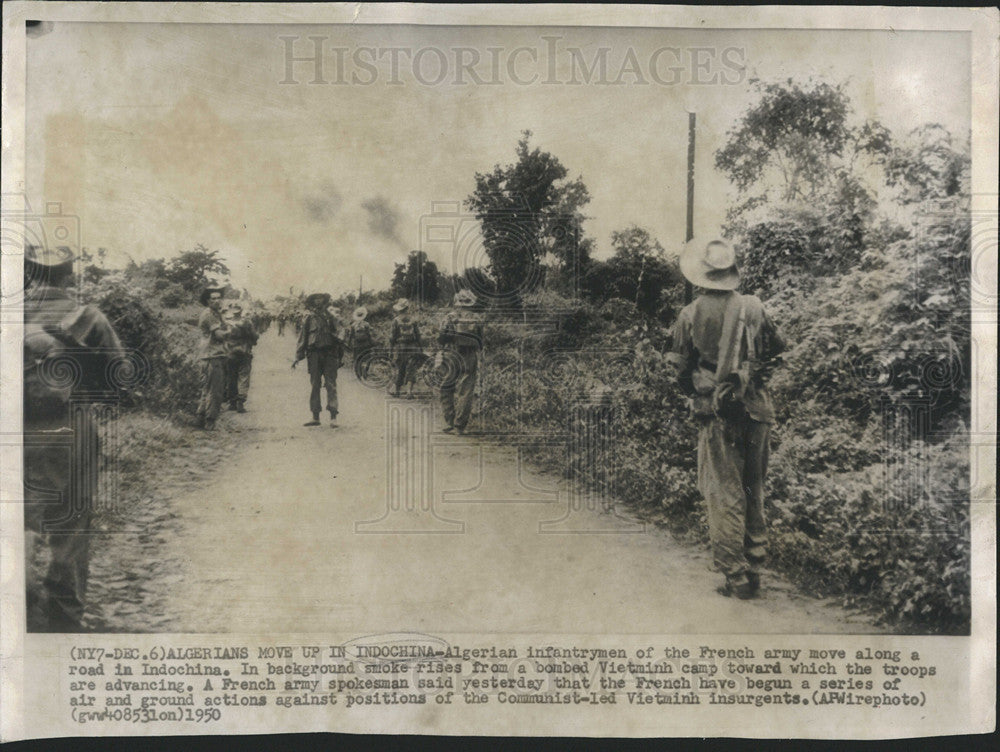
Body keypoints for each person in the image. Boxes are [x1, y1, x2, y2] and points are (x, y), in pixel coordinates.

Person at [669, 238, 785, 600]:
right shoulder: (754, 307)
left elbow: (678, 370)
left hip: (716, 413)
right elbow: (777, 349)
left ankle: (734, 575)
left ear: (702, 275)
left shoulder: (690, 314)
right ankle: (754, 569)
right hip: (758, 410)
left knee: (724, 493)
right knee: (755, 489)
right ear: (731, 273)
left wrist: (704, 393)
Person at [23, 244, 124, 631]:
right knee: (71, 520)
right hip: (72, 423)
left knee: (19, 518)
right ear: (68, 273)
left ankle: (21, 595)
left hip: (13, 428)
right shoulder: (87, 315)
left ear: (30, 273)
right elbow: (119, 375)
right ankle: (63, 616)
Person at [293, 293, 343, 427]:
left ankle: (333, 417)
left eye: (320, 298)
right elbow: (303, 337)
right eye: (315, 299)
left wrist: (339, 337)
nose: (318, 300)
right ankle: (315, 417)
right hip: (314, 354)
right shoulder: (309, 318)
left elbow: (340, 331)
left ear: (324, 301)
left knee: (330, 384)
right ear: (312, 302)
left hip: (329, 354)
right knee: (315, 385)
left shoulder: (331, 317)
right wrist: (298, 356)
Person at [437, 289, 483, 434]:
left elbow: (441, 337)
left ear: (458, 302)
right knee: (466, 390)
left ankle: (450, 420)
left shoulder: (450, 317)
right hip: (469, 355)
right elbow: (481, 340)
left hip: (451, 354)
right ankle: (459, 426)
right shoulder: (477, 318)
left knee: (446, 387)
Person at [196, 285, 230, 430]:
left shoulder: (215, 314)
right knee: (215, 391)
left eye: (218, 298)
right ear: (208, 301)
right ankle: (210, 421)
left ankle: (201, 418)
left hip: (210, 355)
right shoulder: (209, 314)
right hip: (212, 355)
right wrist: (230, 330)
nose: (217, 301)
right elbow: (219, 335)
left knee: (207, 390)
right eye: (213, 299)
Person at [224, 302, 258, 413]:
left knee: (231, 377)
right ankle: (240, 401)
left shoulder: (227, 322)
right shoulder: (247, 322)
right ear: (241, 310)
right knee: (243, 377)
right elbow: (254, 336)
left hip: (230, 353)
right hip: (245, 352)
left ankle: (232, 402)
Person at [389, 298, 422, 398]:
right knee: (412, 369)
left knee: (400, 368)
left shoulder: (396, 320)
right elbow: (418, 335)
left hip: (400, 347)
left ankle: (396, 390)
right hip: (412, 347)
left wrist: (391, 349)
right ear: (407, 308)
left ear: (399, 309)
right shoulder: (413, 320)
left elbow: (392, 337)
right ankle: (409, 392)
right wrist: (420, 348)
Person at [346, 306, 376, 380]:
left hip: (356, 345)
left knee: (357, 359)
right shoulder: (366, 324)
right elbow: (369, 334)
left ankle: (358, 374)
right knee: (367, 358)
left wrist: (349, 344)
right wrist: (372, 343)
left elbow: (351, 335)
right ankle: (365, 373)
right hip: (366, 344)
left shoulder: (353, 325)